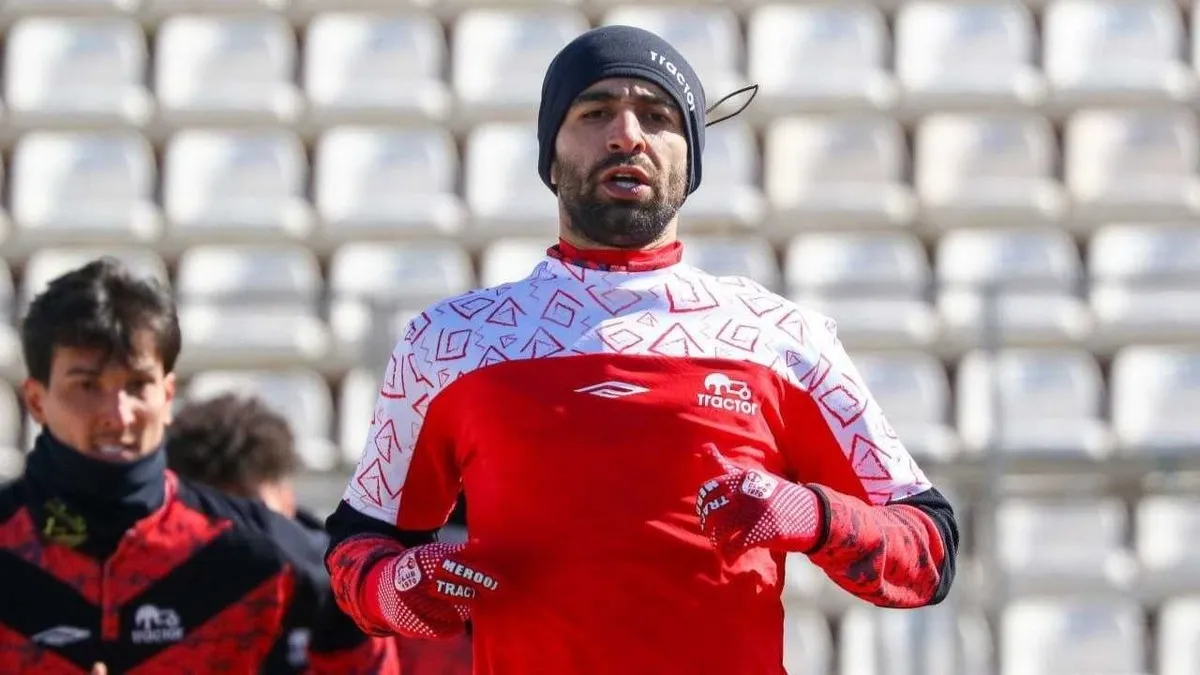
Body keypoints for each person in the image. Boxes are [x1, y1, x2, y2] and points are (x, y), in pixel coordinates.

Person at [324, 25, 959, 674]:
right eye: (595, 112)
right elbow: (358, 544)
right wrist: (396, 589)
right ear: (550, 155)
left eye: (657, 116)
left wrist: (816, 516)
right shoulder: (452, 340)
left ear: (692, 163)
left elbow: (930, 550)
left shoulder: (782, 338)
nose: (626, 135)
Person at [0, 258, 396, 674]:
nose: (118, 415)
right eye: (87, 385)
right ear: (36, 401)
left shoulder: (265, 551)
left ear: (167, 395)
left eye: (138, 384)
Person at [167, 392, 468, 674]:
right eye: (216, 518)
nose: (236, 536)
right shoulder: (155, 586)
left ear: (286, 497)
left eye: (253, 514)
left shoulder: (342, 589)